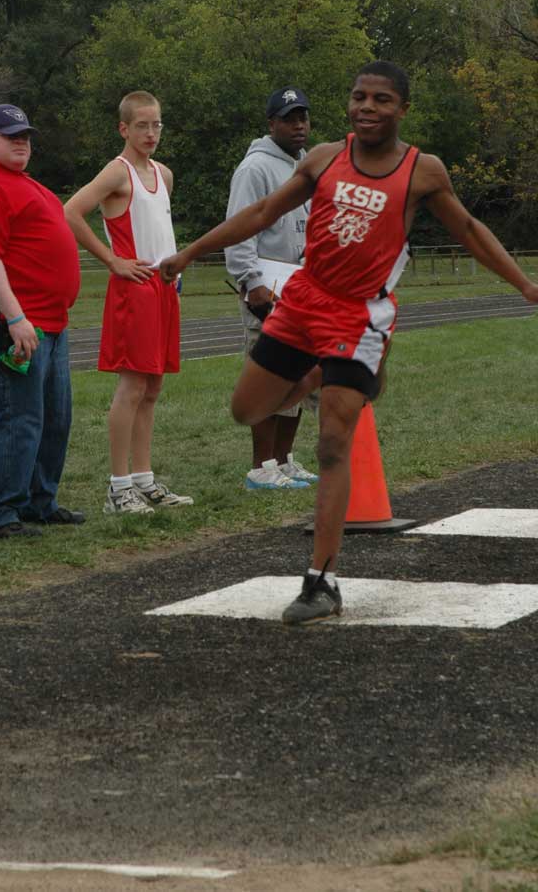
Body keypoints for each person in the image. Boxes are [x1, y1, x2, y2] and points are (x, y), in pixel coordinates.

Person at [160, 60, 538, 625]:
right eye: (359, 97)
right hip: (304, 300)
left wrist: (526, 287)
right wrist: (190, 252)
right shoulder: (322, 159)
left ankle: (321, 581)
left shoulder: (423, 171)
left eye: (381, 100)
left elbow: (470, 232)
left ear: (402, 109)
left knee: (333, 443)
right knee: (246, 410)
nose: (367, 108)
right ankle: (330, 374)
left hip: (360, 316)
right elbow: (262, 212)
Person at [0, 104, 85, 540]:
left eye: (25, 136)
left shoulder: (23, 184)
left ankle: (37, 501)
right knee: (13, 419)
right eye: (10, 135)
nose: (20, 142)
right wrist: (14, 316)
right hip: (11, 325)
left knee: (52, 418)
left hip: (49, 322)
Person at [64, 91, 193, 515]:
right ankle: (118, 488)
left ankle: (144, 479)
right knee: (133, 384)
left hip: (163, 287)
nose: (151, 133)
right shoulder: (117, 173)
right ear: (124, 128)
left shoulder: (164, 174)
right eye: (142, 125)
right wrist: (112, 261)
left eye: (156, 124)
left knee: (153, 387)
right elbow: (71, 212)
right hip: (134, 287)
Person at [225, 87, 316, 492]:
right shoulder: (255, 168)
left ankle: (283, 460)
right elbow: (241, 227)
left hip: (298, 287)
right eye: (289, 118)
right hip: (267, 286)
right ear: (272, 124)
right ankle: (261, 467)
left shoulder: (303, 166)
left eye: (303, 118)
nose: (299, 126)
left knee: (296, 374)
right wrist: (251, 282)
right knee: (268, 376)